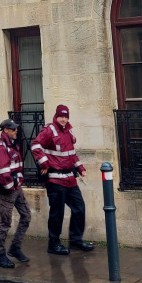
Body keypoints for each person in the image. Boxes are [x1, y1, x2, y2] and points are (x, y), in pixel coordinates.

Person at [31, 104, 95, 255]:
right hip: (54, 179)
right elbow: (35, 146)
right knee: (57, 213)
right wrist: (44, 162)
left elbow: (71, 154)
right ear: (56, 116)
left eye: (66, 117)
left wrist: (80, 168)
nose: (64, 119)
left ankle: (76, 241)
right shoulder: (49, 130)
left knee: (79, 208)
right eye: (61, 116)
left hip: (70, 179)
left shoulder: (68, 131)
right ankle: (53, 244)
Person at [0, 118, 31, 268]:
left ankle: (15, 247)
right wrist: (11, 187)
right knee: (5, 223)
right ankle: (0, 255)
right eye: (13, 128)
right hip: (9, 190)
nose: (16, 130)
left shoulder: (11, 145)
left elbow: (15, 167)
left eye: (16, 128)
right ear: (6, 131)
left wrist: (18, 183)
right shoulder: (1, 147)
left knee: (26, 216)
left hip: (16, 188)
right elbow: (2, 172)